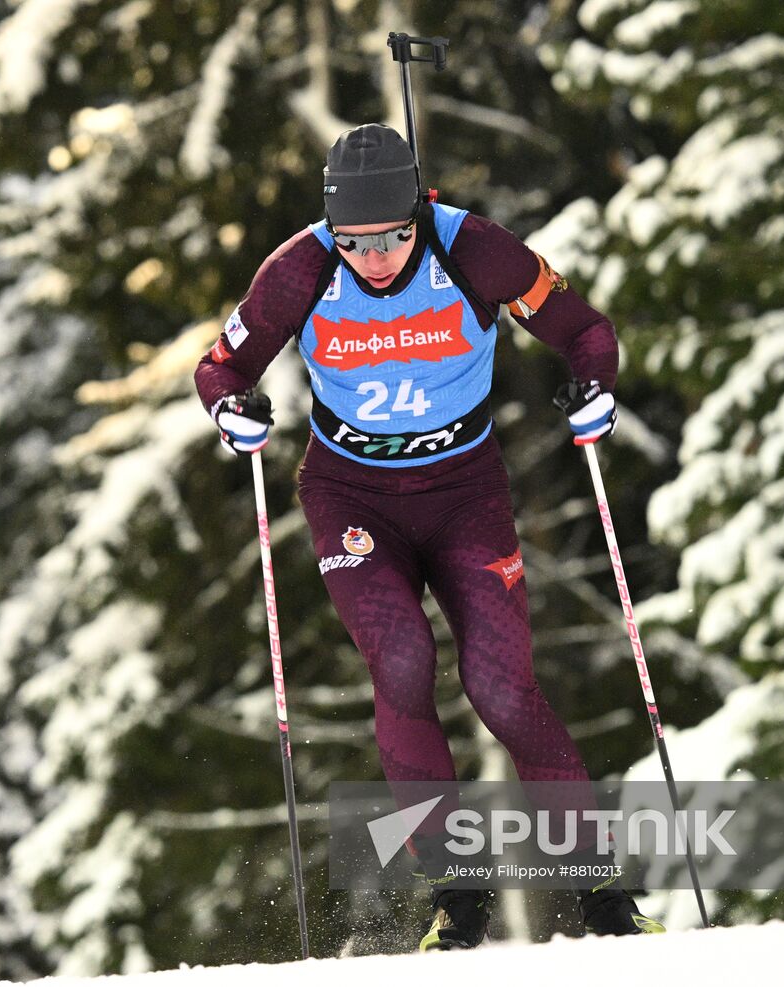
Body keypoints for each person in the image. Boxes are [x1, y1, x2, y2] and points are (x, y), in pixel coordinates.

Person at [193, 123, 663, 949]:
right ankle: (458, 896)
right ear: (332, 231)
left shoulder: (474, 250)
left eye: (395, 237)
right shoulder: (299, 268)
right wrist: (231, 411)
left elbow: (583, 329)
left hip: (464, 490)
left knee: (501, 685)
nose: (376, 259)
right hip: (350, 495)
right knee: (402, 659)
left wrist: (593, 387)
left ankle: (601, 892)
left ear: (421, 210)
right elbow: (221, 367)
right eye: (356, 243)